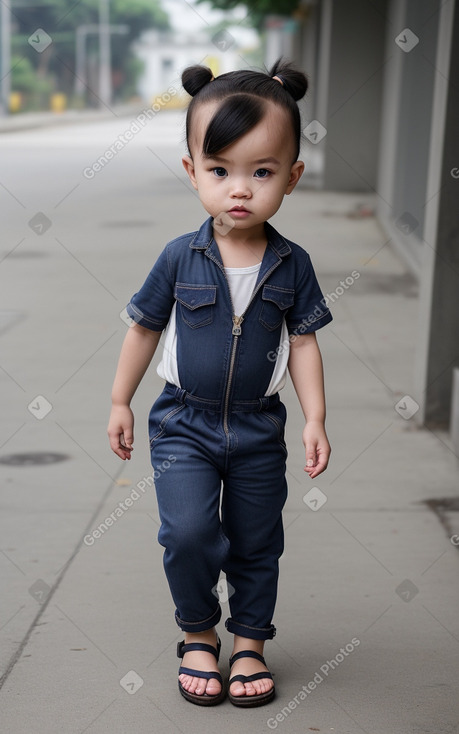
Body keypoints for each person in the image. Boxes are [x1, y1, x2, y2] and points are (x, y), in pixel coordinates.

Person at [107, 58, 332, 709]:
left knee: (258, 538)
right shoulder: (179, 256)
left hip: (259, 427)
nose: (239, 189)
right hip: (184, 421)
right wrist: (120, 399)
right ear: (191, 171)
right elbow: (144, 328)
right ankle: (198, 633)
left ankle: (251, 643)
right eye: (219, 170)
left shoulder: (293, 265)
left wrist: (314, 416)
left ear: (290, 177)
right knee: (187, 533)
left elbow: (303, 341)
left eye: (261, 172)